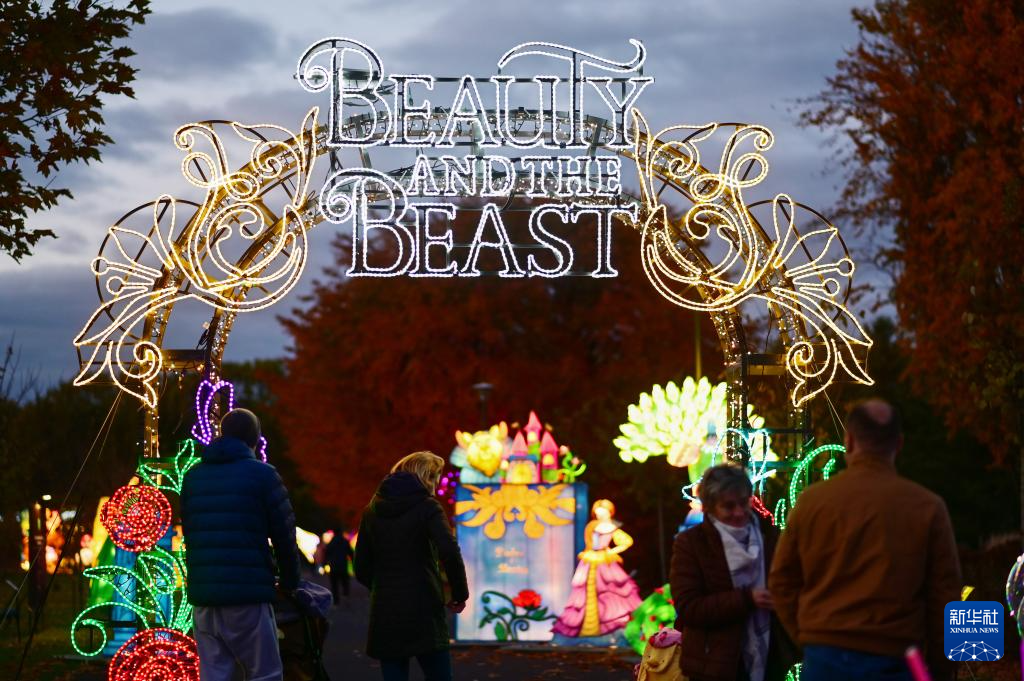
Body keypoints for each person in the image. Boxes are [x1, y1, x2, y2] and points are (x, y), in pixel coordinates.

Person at [769, 399, 962, 681]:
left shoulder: (811, 502)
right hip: (896, 657)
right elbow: (944, 594)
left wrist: (807, 636)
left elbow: (781, 581)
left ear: (848, 441)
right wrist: (939, 666)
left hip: (824, 656)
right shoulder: (927, 507)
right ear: (899, 444)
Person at [181, 408, 301, 681]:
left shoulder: (193, 476)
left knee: (214, 674)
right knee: (264, 673)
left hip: (205, 597)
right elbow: (284, 535)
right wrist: (291, 582)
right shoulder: (264, 475)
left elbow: (191, 531)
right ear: (255, 439)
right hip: (248, 595)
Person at [670, 464, 798, 681]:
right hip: (714, 663)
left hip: (770, 655)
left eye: (743, 502)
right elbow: (689, 607)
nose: (739, 512)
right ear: (709, 507)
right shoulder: (692, 543)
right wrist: (747, 599)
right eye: (728, 506)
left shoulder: (768, 534)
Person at [355, 451, 469, 681]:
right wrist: (459, 593)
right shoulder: (428, 507)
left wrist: (381, 587)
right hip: (424, 604)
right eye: (436, 478)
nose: (437, 484)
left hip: (386, 608)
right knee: (439, 674)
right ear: (427, 477)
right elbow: (449, 550)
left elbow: (361, 566)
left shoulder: (372, 510)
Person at [552, 499, 643, 637]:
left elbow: (627, 541)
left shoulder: (612, 527)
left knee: (610, 590)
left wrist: (612, 551)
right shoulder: (592, 526)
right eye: (597, 513)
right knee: (585, 591)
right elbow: (589, 543)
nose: (600, 515)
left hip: (604, 561)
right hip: (591, 559)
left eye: (603, 512)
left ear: (609, 512)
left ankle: (614, 626)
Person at [324, 527, 354, 603]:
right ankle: (346, 596)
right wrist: (353, 562)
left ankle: (336, 601)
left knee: (334, 585)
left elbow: (326, 553)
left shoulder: (331, 542)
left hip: (333, 566)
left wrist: (325, 563)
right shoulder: (345, 541)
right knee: (345, 582)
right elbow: (350, 553)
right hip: (343, 566)